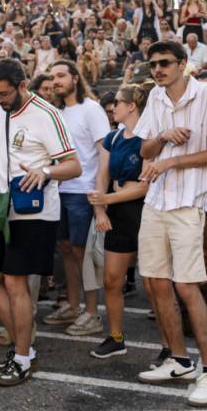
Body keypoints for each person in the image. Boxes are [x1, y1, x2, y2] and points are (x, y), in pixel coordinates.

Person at [0, 59, 81, 387]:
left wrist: (45, 172)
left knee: (15, 283)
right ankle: (22, 348)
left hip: (34, 212)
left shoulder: (47, 114)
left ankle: (23, 356)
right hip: (2, 209)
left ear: (22, 85)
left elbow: (73, 166)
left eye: (4, 93)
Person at [134, 41, 207, 406]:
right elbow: (143, 150)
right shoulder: (156, 98)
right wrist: (161, 138)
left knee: (188, 287)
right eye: (153, 64)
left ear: (183, 64)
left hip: (189, 204)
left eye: (165, 63)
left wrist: (172, 161)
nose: (158, 70)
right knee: (156, 283)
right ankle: (178, 359)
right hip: (156, 201)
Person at [44, 60, 109, 337]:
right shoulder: (56, 112)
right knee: (67, 251)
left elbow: (104, 152)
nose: (56, 81)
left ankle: (92, 313)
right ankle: (72, 305)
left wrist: (99, 193)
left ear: (75, 78)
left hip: (83, 192)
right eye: (52, 77)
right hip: (59, 191)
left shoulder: (91, 110)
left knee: (84, 256)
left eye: (61, 75)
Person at [87, 83, 151, 358]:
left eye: (118, 102)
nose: (113, 107)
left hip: (145, 211)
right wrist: (101, 211)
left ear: (132, 106)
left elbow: (145, 186)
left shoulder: (151, 137)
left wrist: (106, 202)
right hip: (117, 211)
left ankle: (169, 347)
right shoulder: (112, 138)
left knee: (153, 283)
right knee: (112, 280)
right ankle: (116, 338)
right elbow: (102, 175)